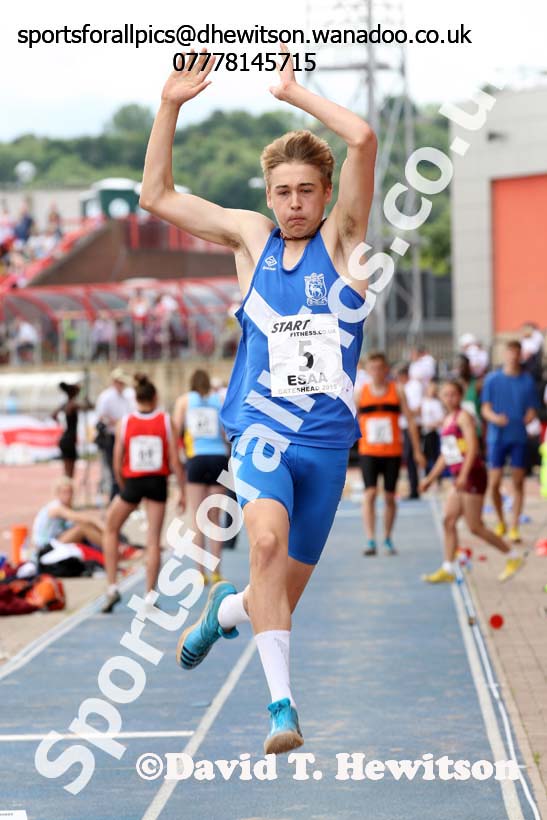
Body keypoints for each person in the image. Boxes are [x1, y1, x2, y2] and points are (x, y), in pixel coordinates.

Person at [139, 44, 376, 752]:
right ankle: (281, 711)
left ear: (325, 193)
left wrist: (292, 93)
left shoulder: (346, 240)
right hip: (262, 435)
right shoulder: (251, 240)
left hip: (327, 448)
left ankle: (223, 612)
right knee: (263, 544)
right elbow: (155, 197)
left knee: (274, 597)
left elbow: (360, 137)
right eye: (281, 192)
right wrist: (170, 105)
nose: (293, 204)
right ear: (267, 194)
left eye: (305, 191)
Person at [419, 380, 525, 584]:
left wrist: (463, 475)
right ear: (440, 397)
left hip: (472, 475)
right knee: (448, 520)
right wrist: (430, 478)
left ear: (460, 396)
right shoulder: (447, 419)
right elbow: (446, 454)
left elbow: (473, 447)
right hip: (459, 477)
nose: (450, 398)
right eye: (446, 394)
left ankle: (513, 556)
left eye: (453, 394)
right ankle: (448, 567)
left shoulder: (463, 418)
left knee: (475, 526)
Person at [102, 374, 186, 613]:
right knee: (153, 539)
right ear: (155, 397)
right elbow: (175, 460)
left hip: (134, 483)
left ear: (135, 398)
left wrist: (123, 486)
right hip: (158, 482)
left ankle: (111, 587)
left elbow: (117, 460)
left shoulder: (125, 423)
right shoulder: (167, 421)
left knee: (110, 528)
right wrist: (182, 491)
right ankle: (149, 594)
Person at [358, 352, 424, 556]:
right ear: (368, 371)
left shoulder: (398, 391)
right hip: (368, 450)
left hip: (392, 452)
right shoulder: (361, 393)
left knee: (389, 496)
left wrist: (417, 451)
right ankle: (370, 539)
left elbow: (411, 422)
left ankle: (386, 537)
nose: (377, 372)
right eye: (373, 368)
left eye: (380, 368)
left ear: (386, 370)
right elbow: (348, 420)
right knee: (369, 494)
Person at [173, 369, 229, 583]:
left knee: (198, 518)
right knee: (215, 517)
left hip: (196, 458)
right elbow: (226, 432)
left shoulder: (184, 401)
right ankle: (216, 571)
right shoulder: (219, 400)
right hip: (217, 458)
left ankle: (199, 572)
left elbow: (176, 429)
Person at [481, 340, 539, 542]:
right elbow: (485, 408)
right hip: (497, 437)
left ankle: (514, 525)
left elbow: (532, 408)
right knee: (494, 482)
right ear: (504, 354)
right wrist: (495, 418)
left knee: (518, 481)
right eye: (510, 352)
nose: (513, 356)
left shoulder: (527, 381)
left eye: (517, 352)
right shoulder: (492, 379)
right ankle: (500, 521)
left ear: (520, 355)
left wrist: (530, 416)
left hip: (518, 437)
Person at [32, 476, 104, 552]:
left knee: (85, 526)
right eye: (64, 492)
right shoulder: (56, 508)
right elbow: (85, 519)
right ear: (57, 493)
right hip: (45, 547)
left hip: (55, 541)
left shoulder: (66, 507)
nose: (68, 496)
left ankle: (108, 545)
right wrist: (103, 527)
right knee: (83, 528)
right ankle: (110, 547)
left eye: (70, 492)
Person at [95, 368, 136, 499]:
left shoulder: (127, 396)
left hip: (124, 436)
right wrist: (116, 423)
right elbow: (101, 417)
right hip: (111, 437)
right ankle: (116, 496)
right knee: (114, 468)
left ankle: (122, 494)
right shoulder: (106, 397)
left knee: (124, 467)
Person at [52, 382, 92, 478]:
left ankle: (66, 488)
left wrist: (61, 423)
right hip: (69, 440)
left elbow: (53, 415)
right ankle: (68, 490)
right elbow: (89, 407)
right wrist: (86, 398)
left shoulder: (65, 405)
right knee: (70, 472)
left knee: (67, 470)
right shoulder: (73, 405)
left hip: (65, 438)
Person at [396, 364, 423, 499]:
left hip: (412, 426)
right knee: (409, 457)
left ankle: (414, 489)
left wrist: (404, 410)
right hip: (406, 425)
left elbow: (416, 409)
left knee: (412, 457)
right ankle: (413, 487)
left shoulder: (414, 386)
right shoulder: (405, 387)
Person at [420, 380, 445, 475]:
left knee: (434, 455)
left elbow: (441, 419)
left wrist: (431, 424)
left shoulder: (437, 403)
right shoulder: (423, 402)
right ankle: (426, 474)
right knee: (425, 455)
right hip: (425, 432)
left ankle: (436, 476)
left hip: (433, 432)